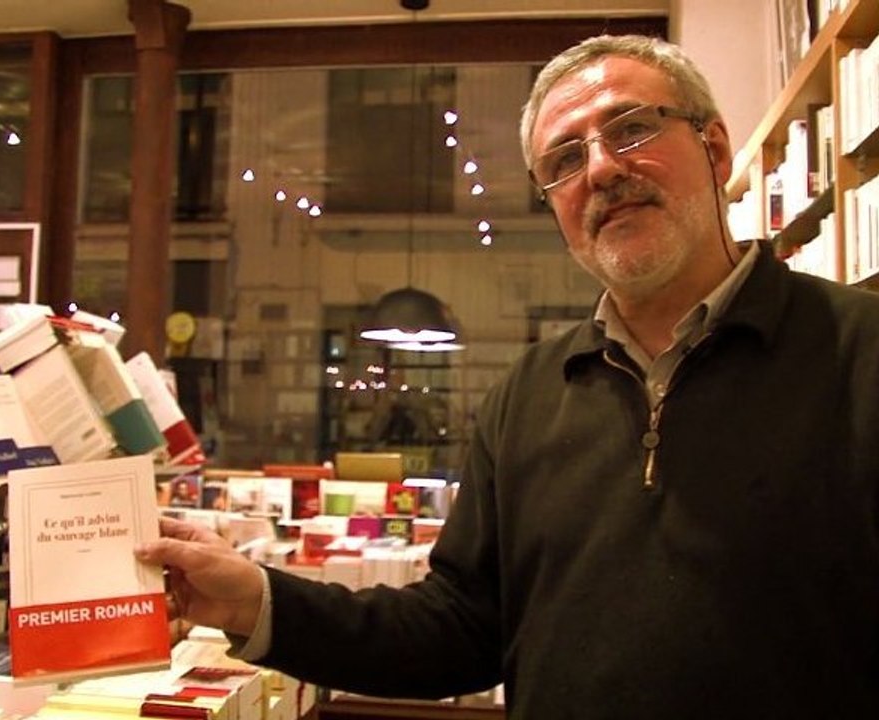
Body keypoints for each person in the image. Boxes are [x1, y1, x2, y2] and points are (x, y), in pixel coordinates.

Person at [134, 34, 879, 718]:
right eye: (564, 160)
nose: (601, 169)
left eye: (631, 129)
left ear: (713, 148)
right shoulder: (528, 394)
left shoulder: (861, 352)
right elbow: (461, 628)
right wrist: (254, 601)